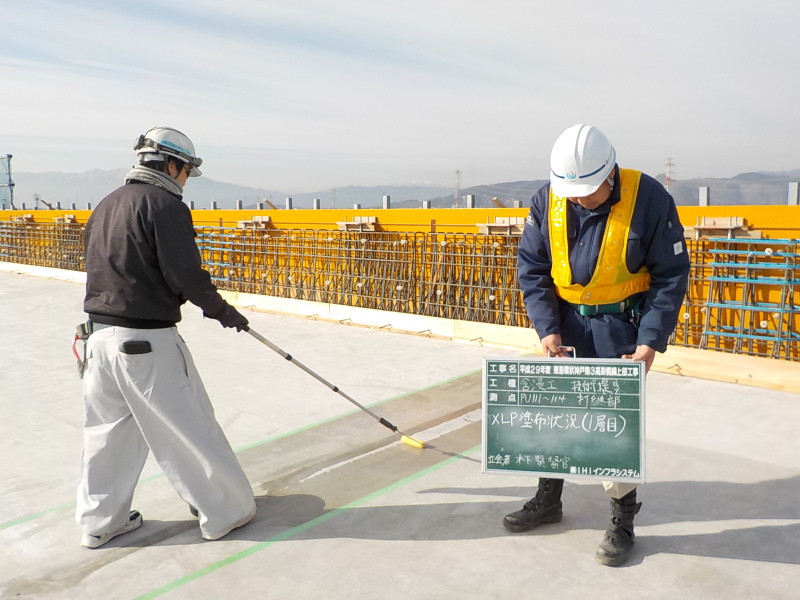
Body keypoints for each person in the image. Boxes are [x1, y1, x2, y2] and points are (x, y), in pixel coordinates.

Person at [505, 123, 690, 566]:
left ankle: (623, 519)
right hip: (565, 324)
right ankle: (548, 499)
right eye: (571, 192)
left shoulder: (649, 198)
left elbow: (670, 275)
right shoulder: (548, 199)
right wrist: (546, 327)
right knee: (554, 416)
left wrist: (650, 340)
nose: (579, 200)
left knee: (611, 425)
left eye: (587, 191)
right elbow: (533, 267)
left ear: (611, 174)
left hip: (619, 327)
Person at [76, 126, 256, 548]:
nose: (186, 180)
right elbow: (186, 275)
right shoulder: (165, 205)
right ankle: (226, 512)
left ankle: (100, 523)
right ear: (171, 165)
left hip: (97, 342)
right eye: (187, 171)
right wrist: (224, 313)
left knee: (107, 435)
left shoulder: (106, 205)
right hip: (147, 344)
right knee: (189, 427)